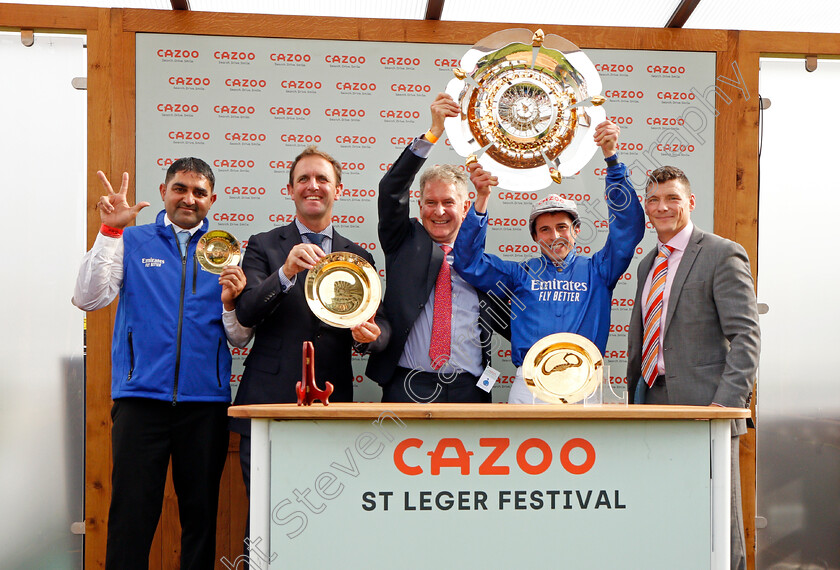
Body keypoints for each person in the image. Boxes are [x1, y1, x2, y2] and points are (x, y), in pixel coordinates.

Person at [72, 158, 252, 569]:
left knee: (201, 520)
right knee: (131, 519)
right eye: (180, 189)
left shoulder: (227, 252)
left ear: (212, 200)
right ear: (164, 191)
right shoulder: (131, 240)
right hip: (140, 401)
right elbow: (87, 298)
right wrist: (109, 231)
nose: (189, 198)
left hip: (204, 404)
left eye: (199, 192)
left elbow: (239, 336)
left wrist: (230, 305)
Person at [453, 121, 645, 404]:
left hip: (584, 383)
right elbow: (468, 263)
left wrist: (612, 160)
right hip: (529, 383)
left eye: (562, 227)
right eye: (545, 229)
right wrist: (481, 199)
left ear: (576, 231)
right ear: (534, 237)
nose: (555, 236)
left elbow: (627, 230)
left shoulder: (599, 270)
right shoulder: (520, 274)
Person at [626, 165, 760, 570]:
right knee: (665, 516)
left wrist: (724, 406)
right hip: (652, 401)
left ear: (691, 203)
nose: (662, 207)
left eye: (672, 199)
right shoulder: (648, 263)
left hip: (707, 408)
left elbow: (746, 337)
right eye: (654, 200)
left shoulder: (721, 253)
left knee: (719, 524)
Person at [232, 145, 380, 496]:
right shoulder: (263, 245)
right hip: (269, 402)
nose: (313, 186)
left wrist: (366, 336)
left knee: (323, 515)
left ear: (338, 190)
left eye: (322, 179)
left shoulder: (359, 258)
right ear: (290, 190)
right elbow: (247, 312)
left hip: (333, 402)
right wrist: (285, 272)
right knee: (265, 513)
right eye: (304, 179)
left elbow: (367, 328)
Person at [365, 92, 510, 403]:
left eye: (448, 202)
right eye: (430, 202)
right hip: (408, 385)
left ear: (465, 205)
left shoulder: (482, 262)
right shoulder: (402, 241)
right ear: (419, 205)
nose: (439, 211)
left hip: (470, 387)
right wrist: (433, 133)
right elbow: (390, 190)